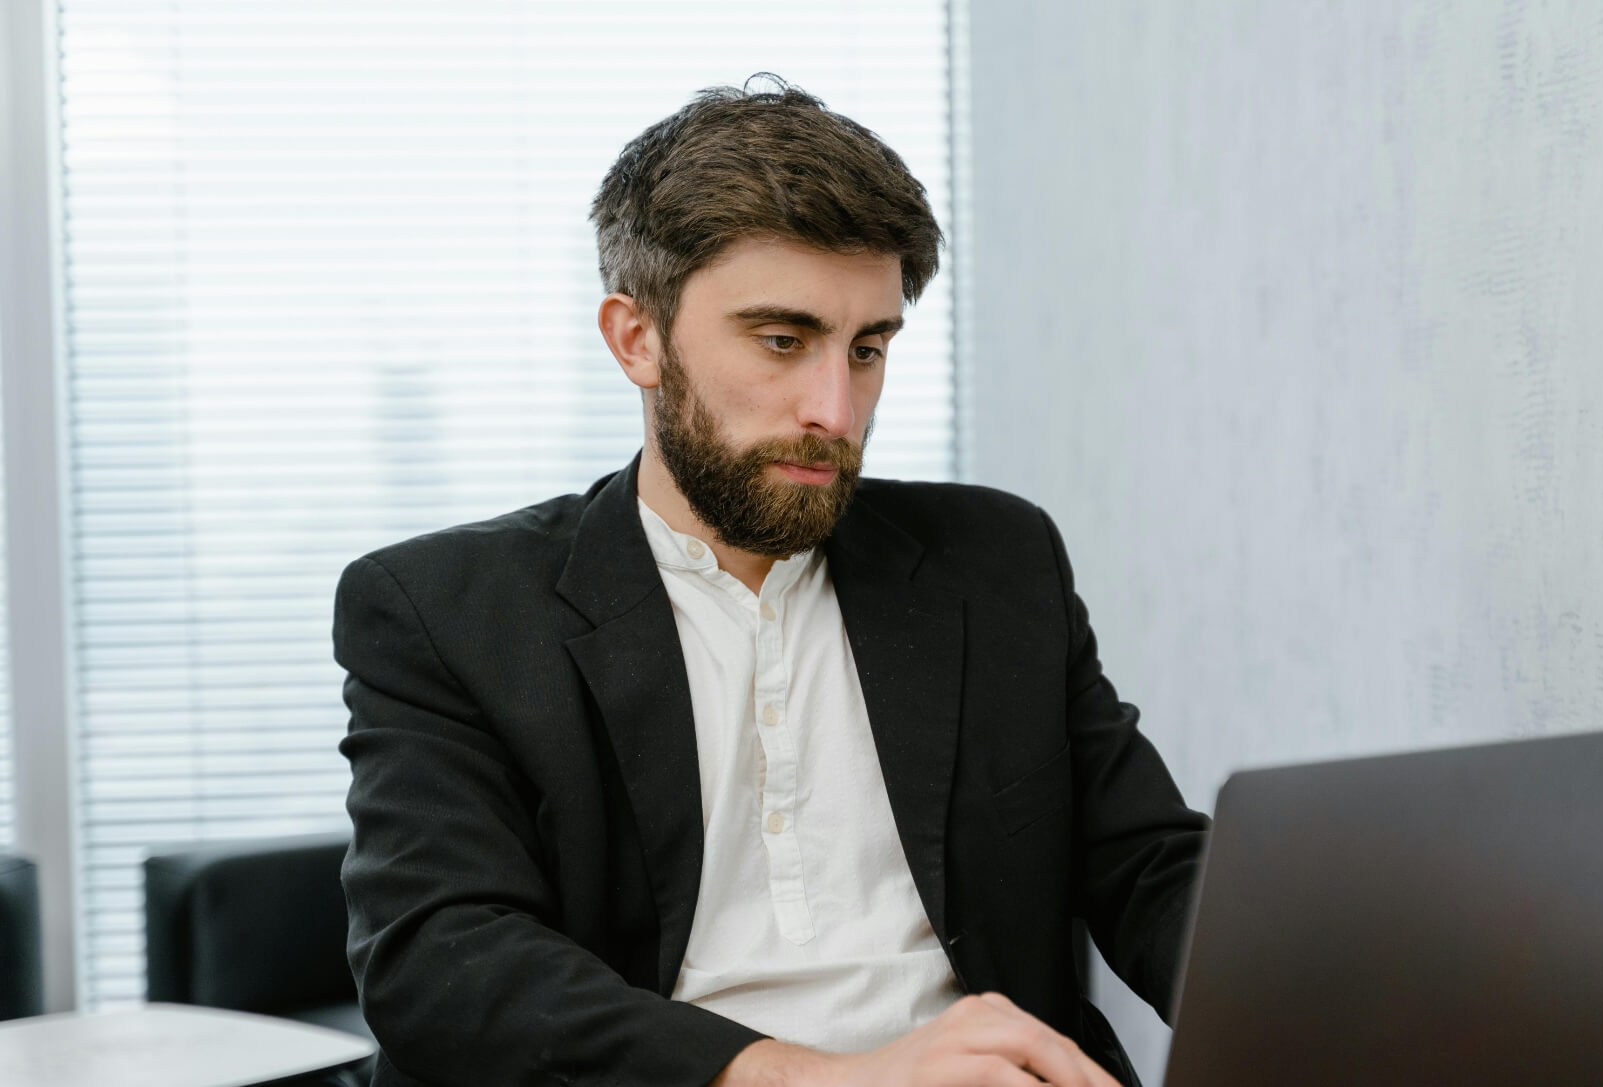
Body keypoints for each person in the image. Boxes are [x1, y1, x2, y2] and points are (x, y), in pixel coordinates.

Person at [334, 77, 1208, 1087]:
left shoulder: (996, 559)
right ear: (636, 338)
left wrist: (1329, 988)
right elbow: (441, 961)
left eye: (867, 349)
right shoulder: (445, 610)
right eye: (782, 341)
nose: (836, 408)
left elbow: (1149, 866)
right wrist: (823, 1078)